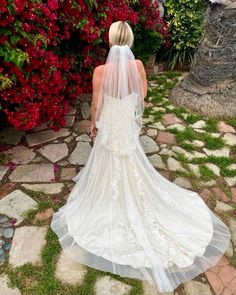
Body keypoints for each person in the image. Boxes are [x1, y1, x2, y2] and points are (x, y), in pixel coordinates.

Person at [50, 21, 231, 293]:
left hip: (111, 123)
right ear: (132, 39)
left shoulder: (100, 71)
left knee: (109, 159)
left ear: (110, 40)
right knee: (131, 160)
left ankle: (110, 199)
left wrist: (93, 124)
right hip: (125, 123)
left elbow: (97, 104)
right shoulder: (137, 67)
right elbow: (143, 95)